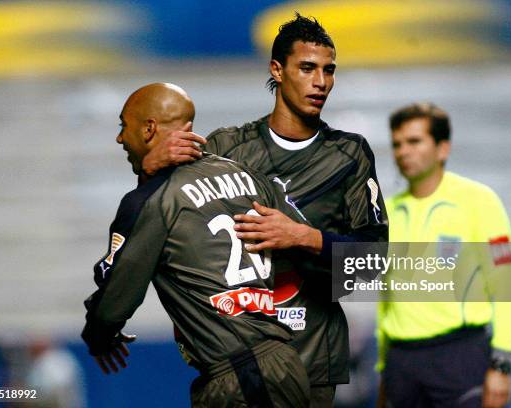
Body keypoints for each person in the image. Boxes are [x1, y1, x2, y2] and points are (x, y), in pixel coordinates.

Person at [142, 14, 389, 406]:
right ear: (277, 69)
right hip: (235, 363)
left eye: (329, 70)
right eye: (307, 68)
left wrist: (302, 237)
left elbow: (374, 260)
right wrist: (152, 165)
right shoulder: (226, 148)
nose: (320, 81)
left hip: (312, 359)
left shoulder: (350, 155)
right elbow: (166, 229)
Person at [81, 82, 311, 407]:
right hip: (285, 363)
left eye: (123, 125)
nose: (120, 138)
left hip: (238, 377)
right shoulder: (252, 178)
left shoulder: (152, 200)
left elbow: (116, 299)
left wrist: (98, 336)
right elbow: (307, 251)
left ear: (148, 129)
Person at [375, 103, 511, 408]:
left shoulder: (478, 200)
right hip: (401, 364)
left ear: (443, 148)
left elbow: (506, 282)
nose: (403, 151)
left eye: (414, 141)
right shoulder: (385, 212)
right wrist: (382, 369)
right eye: (397, 144)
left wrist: (502, 363)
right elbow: (387, 298)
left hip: (460, 357)